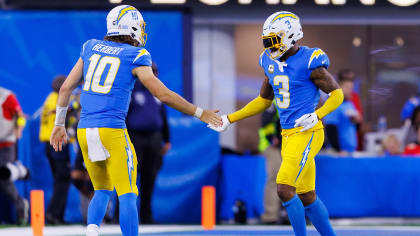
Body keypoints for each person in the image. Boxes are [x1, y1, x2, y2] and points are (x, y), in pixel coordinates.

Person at [49, 5, 221, 236]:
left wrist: (59, 125)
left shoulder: (90, 47)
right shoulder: (136, 55)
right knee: (128, 193)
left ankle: (91, 232)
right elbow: (162, 94)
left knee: (101, 190)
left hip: (85, 129)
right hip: (112, 131)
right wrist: (199, 112)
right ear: (129, 27)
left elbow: (67, 88)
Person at [209, 11, 343, 236]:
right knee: (307, 194)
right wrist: (229, 119)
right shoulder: (268, 60)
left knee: (283, 188)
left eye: (274, 40)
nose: (270, 46)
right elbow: (263, 100)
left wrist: (318, 115)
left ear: (291, 36)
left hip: (308, 132)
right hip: (288, 135)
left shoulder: (310, 61)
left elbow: (337, 94)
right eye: (267, 41)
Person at [126, 62, 170, 224]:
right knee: (128, 179)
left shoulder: (158, 94)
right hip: (135, 138)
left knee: (149, 178)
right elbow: (123, 116)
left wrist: (167, 139)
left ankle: (146, 216)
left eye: (156, 72)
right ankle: (121, 216)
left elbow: (163, 118)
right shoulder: (130, 91)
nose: (154, 75)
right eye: (151, 72)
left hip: (154, 139)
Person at [39, 75, 72, 224]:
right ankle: (53, 214)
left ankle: (57, 215)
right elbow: (62, 113)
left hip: (49, 143)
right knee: (62, 180)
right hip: (57, 144)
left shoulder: (49, 98)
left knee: (60, 180)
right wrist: (75, 108)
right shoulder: (57, 99)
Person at [0, 86, 29, 225]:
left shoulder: (6, 96)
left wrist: (19, 130)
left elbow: (20, 116)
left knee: (4, 177)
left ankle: (20, 205)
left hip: (5, 144)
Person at [323, 77, 362, 154]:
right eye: (347, 87)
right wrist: (338, 150)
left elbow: (354, 127)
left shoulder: (350, 104)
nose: (350, 90)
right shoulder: (334, 103)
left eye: (352, 87)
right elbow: (330, 128)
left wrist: (357, 122)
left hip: (350, 149)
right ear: (339, 88)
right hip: (339, 151)